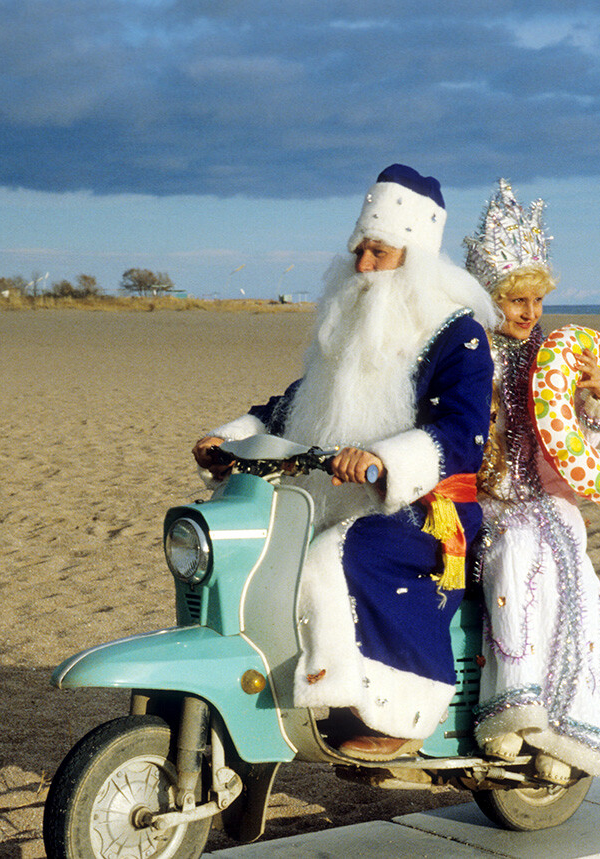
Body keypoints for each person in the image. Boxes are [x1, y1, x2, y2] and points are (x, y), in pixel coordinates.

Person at [193, 164, 496, 761]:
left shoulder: (457, 335)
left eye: (378, 253)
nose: (363, 266)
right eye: (360, 251)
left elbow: (464, 434)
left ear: (412, 257)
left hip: (432, 509)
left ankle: (402, 712)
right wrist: (232, 438)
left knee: (342, 552)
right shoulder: (350, 329)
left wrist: (384, 459)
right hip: (337, 495)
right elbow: (293, 406)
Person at [461, 179, 600, 782]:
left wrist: (597, 401)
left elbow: (575, 450)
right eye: (515, 302)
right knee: (515, 552)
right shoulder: (468, 358)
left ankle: (564, 735)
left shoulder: (556, 359)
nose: (529, 313)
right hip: (488, 501)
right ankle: (516, 713)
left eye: (536, 302)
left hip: (545, 498)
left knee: (575, 572)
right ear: (490, 299)